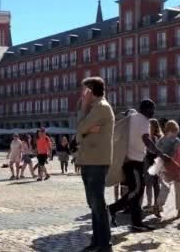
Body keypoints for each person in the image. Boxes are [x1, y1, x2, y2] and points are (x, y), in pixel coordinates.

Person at [76, 77, 114, 252]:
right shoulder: (95, 109)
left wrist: (84, 110)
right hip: (89, 159)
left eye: (85, 91)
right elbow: (79, 133)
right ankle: (97, 240)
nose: (83, 95)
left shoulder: (101, 108)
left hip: (96, 161)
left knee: (97, 202)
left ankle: (104, 243)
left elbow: (79, 128)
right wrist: (85, 131)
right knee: (93, 203)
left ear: (91, 91)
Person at [108, 100, 157, 231]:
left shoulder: (132, 118)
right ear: (146, 109)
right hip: (133, 161)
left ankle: (136, 223)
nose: (154, 112)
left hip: (130, 160)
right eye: (152, 109)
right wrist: (160, 153)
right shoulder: (143, 121)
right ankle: (113, 208)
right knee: (136, 190)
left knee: (136, 191)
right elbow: (146, 139)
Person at [156, 120, 180, 218]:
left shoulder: (161, 140)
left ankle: (158, 206)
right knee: (178, 189)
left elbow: (158, 153)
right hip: (175, 167)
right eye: (175, 131)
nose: (176, 133)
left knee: (165, 188)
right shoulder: (176, 141)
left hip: (165, 166)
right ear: (174, 130)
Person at [143, 118, 163, 218]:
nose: (148, 128)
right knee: (149, 183)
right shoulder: (147, 137)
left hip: (155, 161)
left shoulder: (157, 137)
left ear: (154, 127)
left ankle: (157, 206)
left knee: (156, 184)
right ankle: (152, 204)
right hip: (148, 160)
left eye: (150, 126)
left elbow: (157, 150)